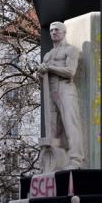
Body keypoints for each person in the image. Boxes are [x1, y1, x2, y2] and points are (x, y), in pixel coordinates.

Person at [38, 22, 84, 168]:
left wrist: (49, 68)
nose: (53, 32)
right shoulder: (47, 55)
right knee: (53, 130)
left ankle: (76, 159)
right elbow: (41, 77)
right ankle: (57, 161)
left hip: (65, 88)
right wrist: (40, 72)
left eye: (56, 30)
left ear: (64, 32)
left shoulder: (71, 50)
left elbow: (70, 72)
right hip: (51, 91)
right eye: (51, 30)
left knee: (71, 125)